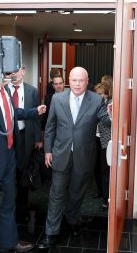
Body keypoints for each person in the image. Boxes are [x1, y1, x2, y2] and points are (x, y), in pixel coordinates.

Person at [37, 66, 111, 249]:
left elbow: (106, 120)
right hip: (60, 154)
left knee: (77, 193)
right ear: (69, 81)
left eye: (81, 80)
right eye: (74, 80)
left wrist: (114, 111)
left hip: (84, 156)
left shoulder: (96, 100)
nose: (77, 84)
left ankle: (72, 220)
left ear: (87, 81)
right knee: (56, 195)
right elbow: (50, 127)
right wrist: (47, 150)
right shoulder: (57, 98)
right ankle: (50, 233)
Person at [0, 80, 46, 253]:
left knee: (9, 202)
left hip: (8, 154)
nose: (12, 73)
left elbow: (11, 112)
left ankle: (8, 243)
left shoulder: (4, 91)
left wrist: (33, 112)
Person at [7, 66, 43, 219]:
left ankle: (22, 206)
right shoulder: (2, 90)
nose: (13, 74)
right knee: (10, 171)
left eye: (16, 70)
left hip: (25, 136)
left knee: (24, 170)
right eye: (10, 71)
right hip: (7, 137)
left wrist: (38, 138)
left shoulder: (32, 91)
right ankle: (9, 206)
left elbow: (35, 116)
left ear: (23, 71)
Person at [93, 82, 112, 210]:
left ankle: (106, 199)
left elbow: (108, 123)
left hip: (105, 140)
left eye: (100, 94)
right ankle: (100, 191)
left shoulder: (110, 105)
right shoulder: (94, 103)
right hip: (94, 139)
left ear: (106, 94)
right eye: (97, 94)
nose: (98, 96)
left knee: (105, 171)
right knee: (95, 168)